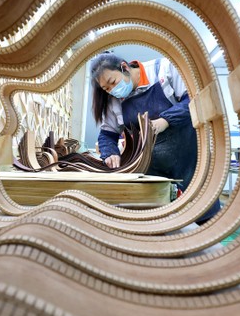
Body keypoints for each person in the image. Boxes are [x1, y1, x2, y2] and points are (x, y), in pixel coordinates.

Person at [89, 52, 221, 224]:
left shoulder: (163, 70)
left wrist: (166, 120)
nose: (113, 90)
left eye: (113, 82)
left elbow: (193, 100)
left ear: (124, 67)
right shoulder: (114, 101)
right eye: (106, 89)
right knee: (158, 222)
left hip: (189, 159)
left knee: (206, 215)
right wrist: (109, 153)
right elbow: (107, 134)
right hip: (151, 171)